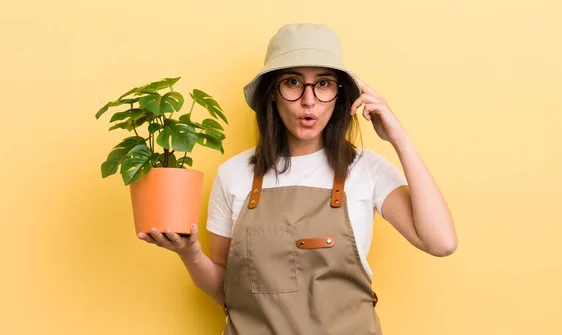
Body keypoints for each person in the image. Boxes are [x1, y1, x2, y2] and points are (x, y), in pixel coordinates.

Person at [137, 23, 458, 334]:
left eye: (323, 83)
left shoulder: (366, 168)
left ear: (339, 94)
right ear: (272, 93)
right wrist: (189, 253)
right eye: (292, 82)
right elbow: (225, 291)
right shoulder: (233, 175)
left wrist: (398, 138)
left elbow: (441, 242)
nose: (309, 100)